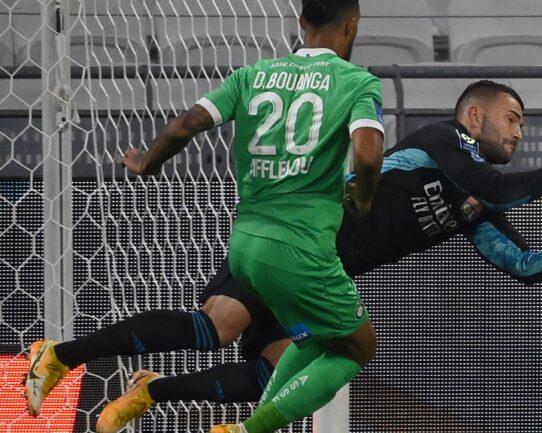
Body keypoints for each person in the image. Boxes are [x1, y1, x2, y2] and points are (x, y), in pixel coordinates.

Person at [25, 81, 542, 432]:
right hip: (294, 236)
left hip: (316, 281)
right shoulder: (442, 142)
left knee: (272, 378)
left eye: (522, 125)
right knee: (215, 328)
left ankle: (153, 392)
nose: (519, 132)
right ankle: (56, 353)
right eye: (512, 119)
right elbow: (498, 186)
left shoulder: (477, 201)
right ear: (473, 115)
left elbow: (522, 266)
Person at [26, 1, 386, 433]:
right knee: (356, 348)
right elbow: (367, 152)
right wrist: (362, 201)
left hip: (247, 247)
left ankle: (143, 387)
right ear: (353, 24)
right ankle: (242, 430)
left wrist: (148, 163)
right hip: (301, 253)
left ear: (300, 22)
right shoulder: (358, 82)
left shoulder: (252, 75)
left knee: (308, 344)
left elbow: (187, 124)